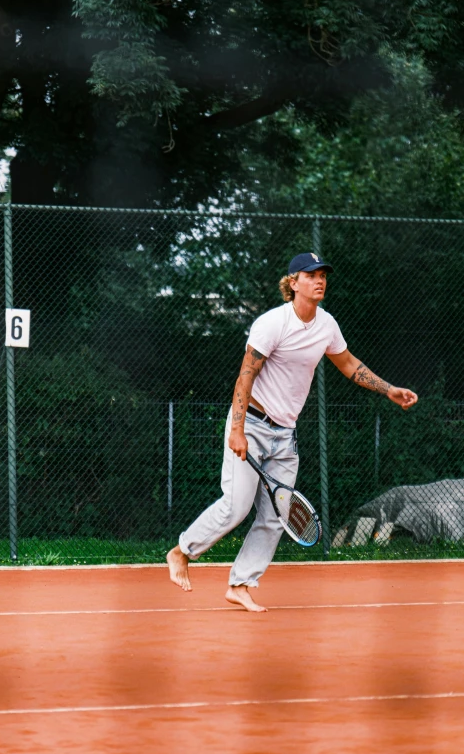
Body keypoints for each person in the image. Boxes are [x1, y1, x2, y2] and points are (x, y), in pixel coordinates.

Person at [167, 252, 418, 612]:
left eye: (323, 275)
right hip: (251, 424)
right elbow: (245, 376)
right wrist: (237, 430)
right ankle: (182, 551)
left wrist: (388, 389)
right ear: (293, 282)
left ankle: (240, 583)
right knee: (236, 507)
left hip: (285, 434)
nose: (320, 280)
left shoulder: (327, 325)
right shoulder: (272, 324)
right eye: (311, 275)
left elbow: (348, 364)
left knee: (275, 516)